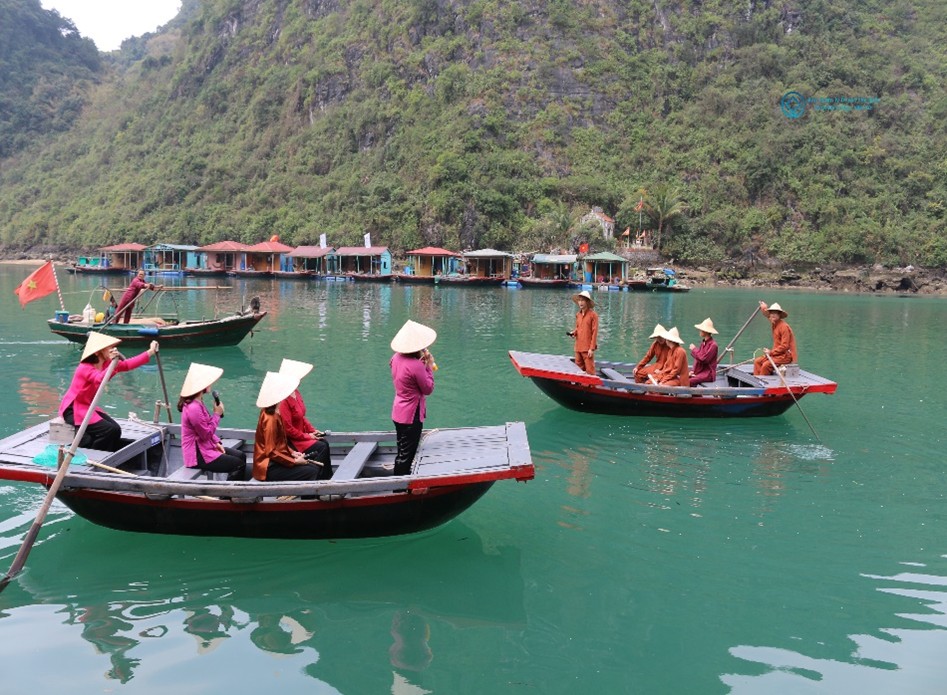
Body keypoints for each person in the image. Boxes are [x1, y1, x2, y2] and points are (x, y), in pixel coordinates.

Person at [58, 332, 158, 451]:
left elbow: (127, 365)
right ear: (98, 352)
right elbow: (99, 379)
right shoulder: (84, 367)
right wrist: (113, 364)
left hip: (87, 406)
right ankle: (93, 455)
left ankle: (105, 453)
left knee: (116, 429)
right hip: (73, 409)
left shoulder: (107, 364)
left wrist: (150, 351)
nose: (113, 349)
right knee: (109, 430)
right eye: (109, 348)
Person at [178, 362, 248, 480]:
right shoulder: (194, 408)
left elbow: (205, 428)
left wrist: (216, 443)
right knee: (238, 464)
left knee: (241, 456)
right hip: (197, 455)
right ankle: (230, 491)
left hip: (205, 447)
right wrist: (217, 414)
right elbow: (205, 434)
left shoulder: (198, 402)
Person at [253, 371, 322, 482]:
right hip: (268, 466)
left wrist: (292, 453)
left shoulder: (274, 412)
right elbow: (270, 451)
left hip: (276, 459)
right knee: (311, 471)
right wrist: (294, 461)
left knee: (313, 467)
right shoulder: (270, 419)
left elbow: (280, 443)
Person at [390, 320, 437, 477]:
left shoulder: (395, 358)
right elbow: (428, 388)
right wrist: (428, 367)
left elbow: (404, 374)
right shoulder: (416, 366)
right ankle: (400, 485)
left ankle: (401, 478)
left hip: (398, 411)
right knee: (406, 456)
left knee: (402, 449)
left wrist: (422, 365)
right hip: (411, 415)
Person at [278, 358, 332, 480]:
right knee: (321, 447)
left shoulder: (295, 392)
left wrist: (312, 430)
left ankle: (327, 477)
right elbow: (288, 429)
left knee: (323, 442)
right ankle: (317, 478)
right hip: (291, 440)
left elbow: (301, 417)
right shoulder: (283, 399)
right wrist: (308, 436)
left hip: (300, 435)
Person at [753, 301, 797, 375]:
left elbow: (785, 346)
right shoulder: (774, 322)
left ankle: (763, 381)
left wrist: (771, 352)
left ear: (779, 315)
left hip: (785, 356)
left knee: (766, 365)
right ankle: (757, 379)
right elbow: (767, 315)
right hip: (776, 354)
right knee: (757, 361)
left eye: (775, 313)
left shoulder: (784, 327)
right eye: (771, 313)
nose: (772, 315)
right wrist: (763, 307)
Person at [568, 290, 599, 375]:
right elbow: (578, 328)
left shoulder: (593, 315)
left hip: (587, 348)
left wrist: (591, 348)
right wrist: (574, 333)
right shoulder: (578, 315)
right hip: (578, 347)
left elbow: (594, 332)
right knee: (578, 370)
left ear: (587, 302)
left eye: (582, 300)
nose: (580, 302)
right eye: (579, 300)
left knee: (590, 371)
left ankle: (591, 383)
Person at [689, 318, 719, 385]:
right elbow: (698, 360)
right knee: (686, 378)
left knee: (689, 381)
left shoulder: (713, 345)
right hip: (701, 372)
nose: (699, 331)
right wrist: (693, 371)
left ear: (706, 331)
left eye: (701, 330)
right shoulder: (703, 343)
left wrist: (694, 349)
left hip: (708, 374)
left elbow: (704, 359)